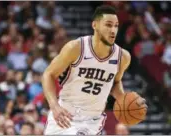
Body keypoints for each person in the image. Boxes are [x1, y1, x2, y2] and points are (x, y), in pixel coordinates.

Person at [42, 5, 147, 135]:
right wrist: (54, 105)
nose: (113, 30)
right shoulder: (76, 48)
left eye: (116, 25)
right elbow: (48, 74)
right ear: (95, 25)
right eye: (108, 25)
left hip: (90, 121)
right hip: (64, 113)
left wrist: (125, 100)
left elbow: (114, 82)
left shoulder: (123, 57)